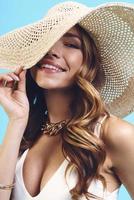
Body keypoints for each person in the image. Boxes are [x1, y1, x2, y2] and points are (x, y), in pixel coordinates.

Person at [0, 1, 134, 200]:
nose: (51, 51)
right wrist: (17, 121)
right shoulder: (27, 134)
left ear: (90, 64)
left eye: (71, 44)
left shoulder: (114, 134)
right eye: (46, 43)